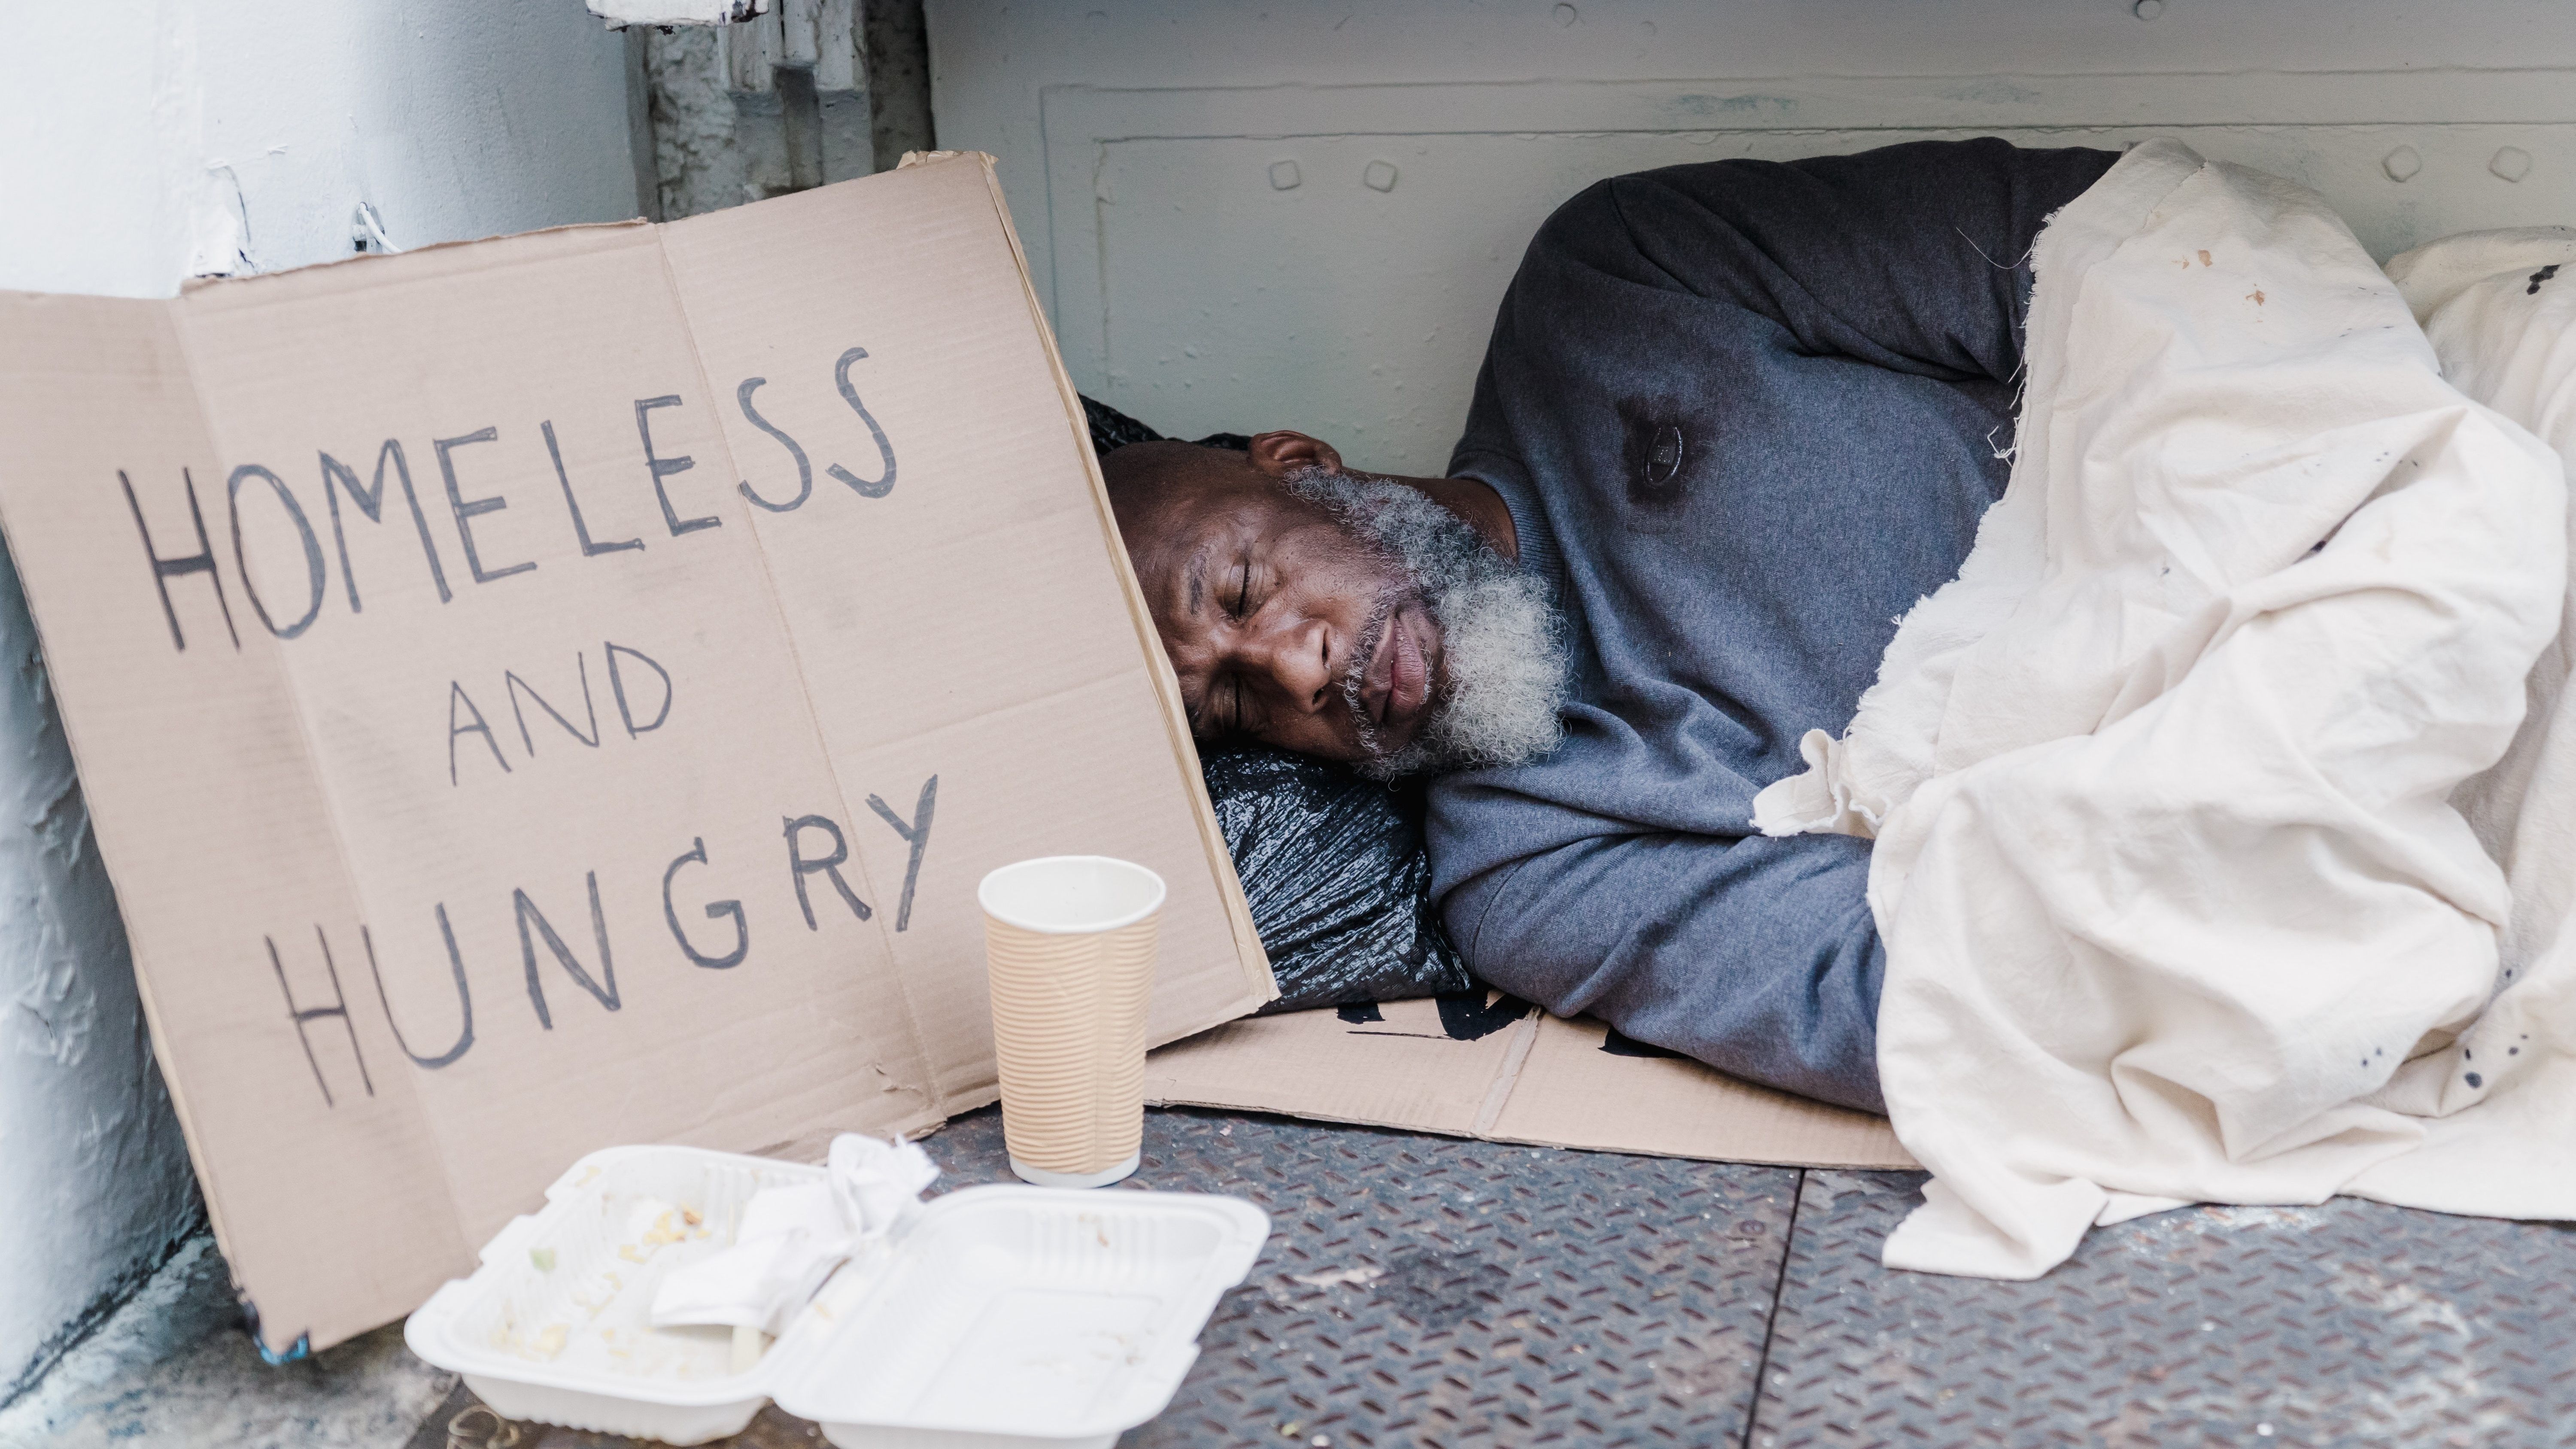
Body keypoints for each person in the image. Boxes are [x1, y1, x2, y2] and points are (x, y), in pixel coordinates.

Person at [1103, 138, 2120, 1112]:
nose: (1293, 671)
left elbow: (2105, 252)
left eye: (1240, 590)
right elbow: (1933, 995)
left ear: (1301, 464)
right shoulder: (1527, 868)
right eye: (1232, 705)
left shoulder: (1618, 278)